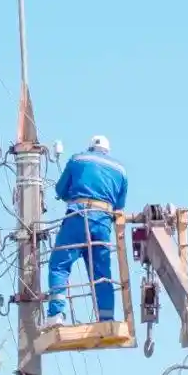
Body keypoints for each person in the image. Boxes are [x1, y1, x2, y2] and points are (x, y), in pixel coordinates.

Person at [46, 135, 128, 326]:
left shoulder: (77, 159)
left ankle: (56, 314)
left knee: (60, 265)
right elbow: (119, 206)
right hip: (102, 223)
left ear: (90, 148)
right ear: (107, 151)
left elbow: (60, 190)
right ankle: (106, 318)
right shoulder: (120, 171)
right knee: (102, 274)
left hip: (78, 216)